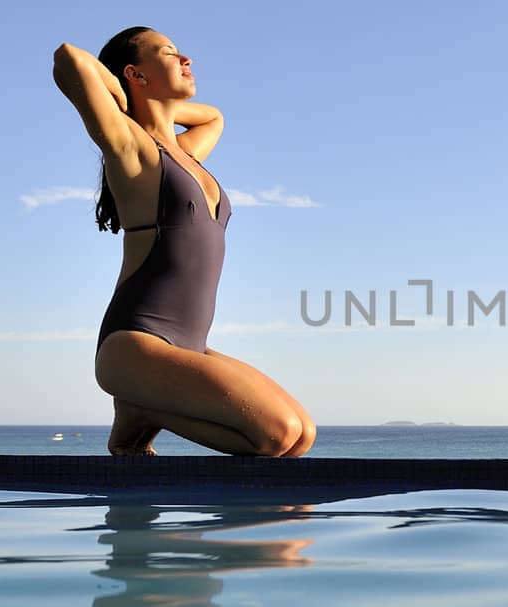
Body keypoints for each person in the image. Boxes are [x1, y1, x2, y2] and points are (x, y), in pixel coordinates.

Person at [53, 26, 315, 456]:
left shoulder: (185, 153)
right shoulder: (131, 148)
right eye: (170, 53)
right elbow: (68, 59)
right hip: (135, 343)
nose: (186, 59)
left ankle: (143, 410)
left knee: (302, 435)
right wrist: (122, 99)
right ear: (135, 74)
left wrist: (155, 102)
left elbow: (215, 117)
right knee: (276, 434)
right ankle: (144, 409)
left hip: (189, 346)